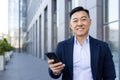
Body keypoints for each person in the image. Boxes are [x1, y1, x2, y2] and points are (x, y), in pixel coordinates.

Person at [47, 6, 116, 80]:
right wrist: (55, 71)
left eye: (83, 19)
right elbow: (55, 74)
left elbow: (110, 75)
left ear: (90, 22)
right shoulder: (62, 46)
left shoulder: (103, 47)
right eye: (75, 20)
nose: (79, 24)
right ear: (70, 25)